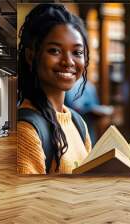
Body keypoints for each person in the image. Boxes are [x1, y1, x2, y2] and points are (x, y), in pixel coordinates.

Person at [17, 4, 92, 174]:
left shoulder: (78, 123)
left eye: (77, 52)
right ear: (31, 56)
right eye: (55, 51)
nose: (69, 62)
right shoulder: (26, 130)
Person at [65, 78, 113, 144]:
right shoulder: (67, 85)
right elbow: (74, 107)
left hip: (89, 127)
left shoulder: (90, 86)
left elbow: (95, 105)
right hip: (71, 128)